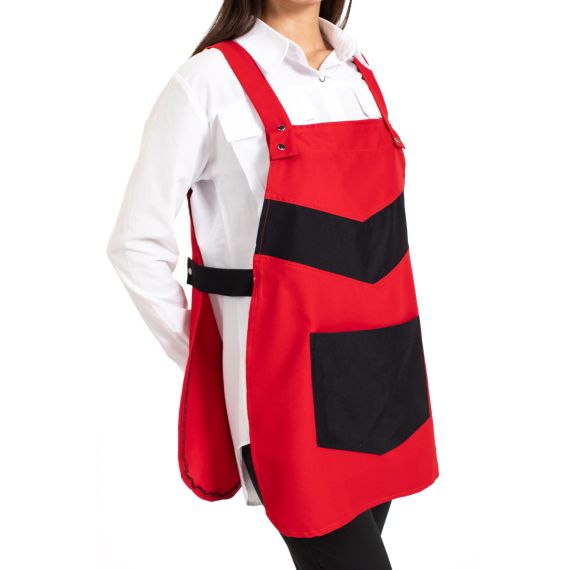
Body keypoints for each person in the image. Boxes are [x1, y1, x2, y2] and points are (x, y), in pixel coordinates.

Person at [107, 1, 439, 568]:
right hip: (285, 392)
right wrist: (216, 359)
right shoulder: (207, 81)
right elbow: (135, 244)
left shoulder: (358, 73)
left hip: (382, 373)